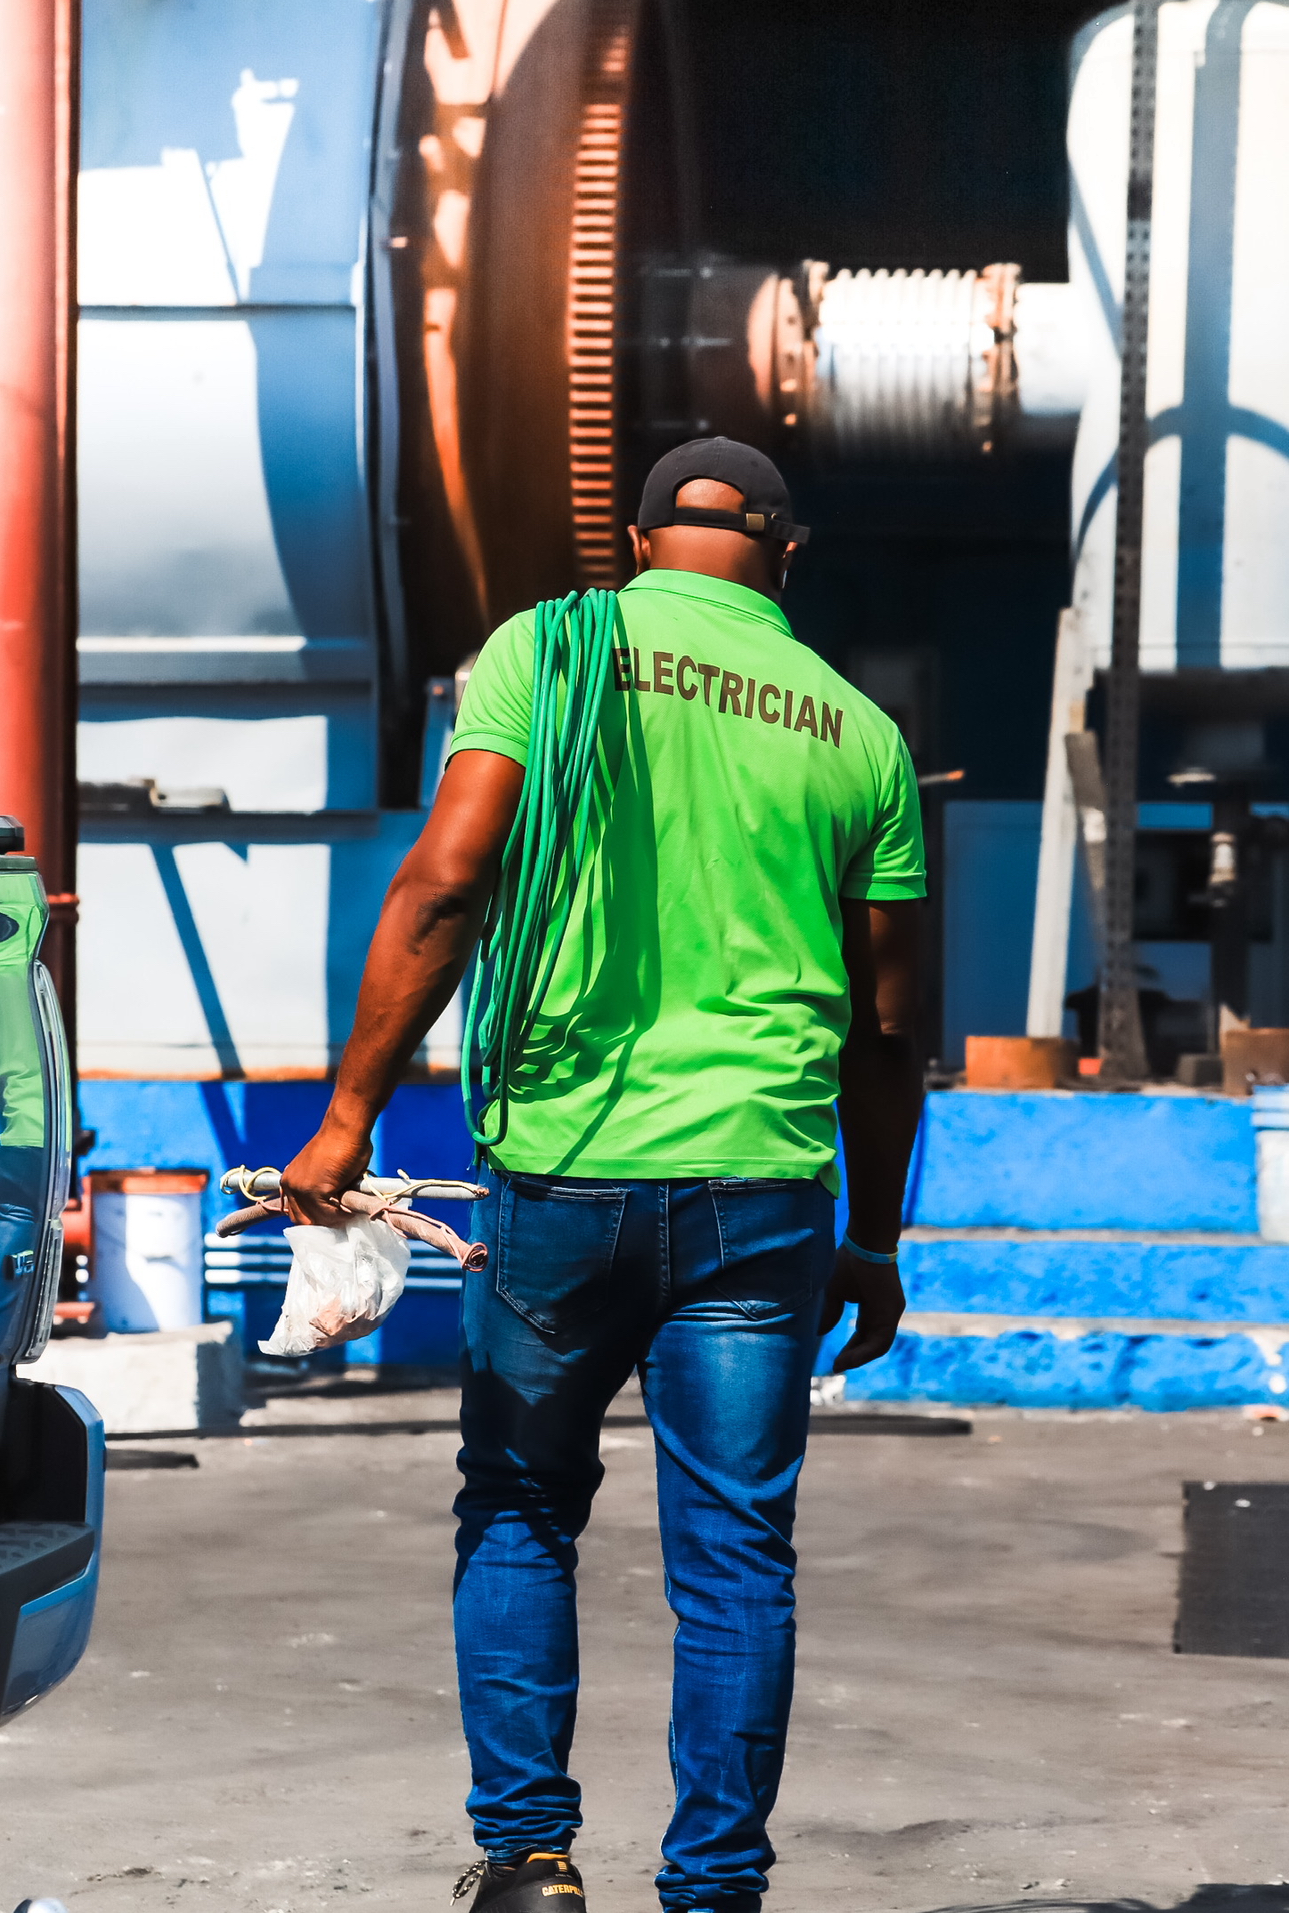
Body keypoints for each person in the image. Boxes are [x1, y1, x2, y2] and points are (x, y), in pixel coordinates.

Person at [282, 436, 926, 1913]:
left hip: (560, 1174)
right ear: (785, 554)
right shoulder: (855, 731)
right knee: (734, 1554)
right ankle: (712, 1889)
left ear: (639, 542)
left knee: (517, 1507)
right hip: (762, 1192)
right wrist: (874, 1237)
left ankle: (529, 1862)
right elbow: (889, 1030)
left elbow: (447, 882)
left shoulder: (548, 649)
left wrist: (346, 1116)